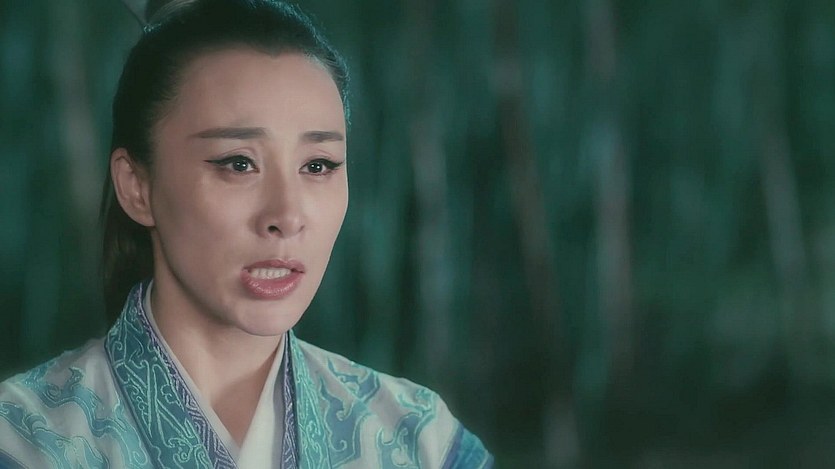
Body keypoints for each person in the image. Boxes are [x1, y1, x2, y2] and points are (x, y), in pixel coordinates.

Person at [0, 0, 493, 467]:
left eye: (318, 165)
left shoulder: (420, 441)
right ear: (136, 187)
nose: (287, 216)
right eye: (239, 163)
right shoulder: (23, 442)